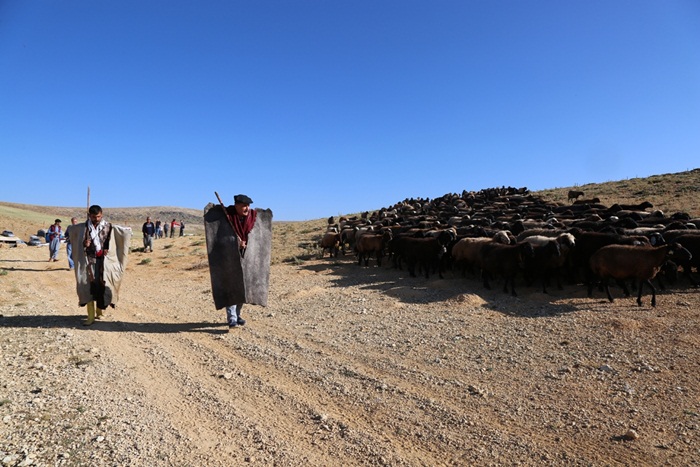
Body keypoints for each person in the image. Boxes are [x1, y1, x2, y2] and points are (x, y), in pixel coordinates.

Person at [82, 205, 113, 325]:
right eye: (94, 217)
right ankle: (90, 316)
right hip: (89, 260)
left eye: (99, 216)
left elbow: (111, 240)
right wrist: (84, 243)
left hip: (103, 260)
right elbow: (76, 241)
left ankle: (99, 310)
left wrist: (107, 248)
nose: (96, 219)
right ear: (89, 215)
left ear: (102, 214)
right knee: (89, 285)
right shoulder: (84, 227)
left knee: (102, 283)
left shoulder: (108, 226)